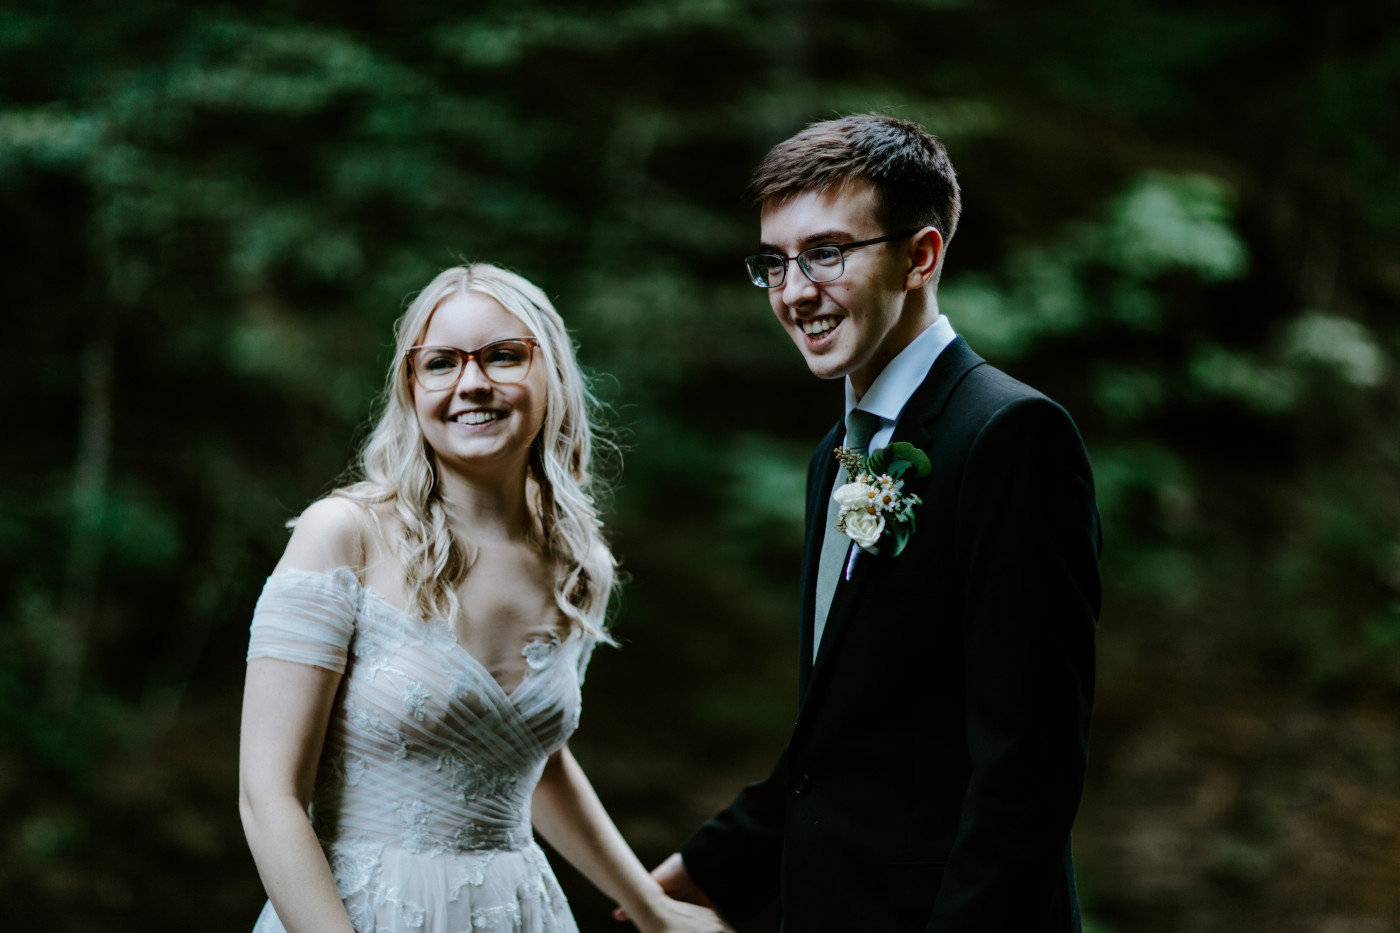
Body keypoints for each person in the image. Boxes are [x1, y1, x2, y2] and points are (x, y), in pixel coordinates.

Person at [639, 114, 1102, 930]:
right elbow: (847, 729)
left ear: (920, 256)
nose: (793, 292)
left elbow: (1028, 764)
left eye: (825, 253)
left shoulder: (1010, 435)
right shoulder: (836, 456)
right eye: (773, 263)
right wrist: (706, 868)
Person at [238, 263, 731, 933]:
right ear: (412, 388)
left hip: (520, 912)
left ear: (550, 372)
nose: (472, 382)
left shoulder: (579, 563)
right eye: (440, 362)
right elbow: (268, 798)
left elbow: (534, 758)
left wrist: (654, 910)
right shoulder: (344, 536)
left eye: (504, 356)